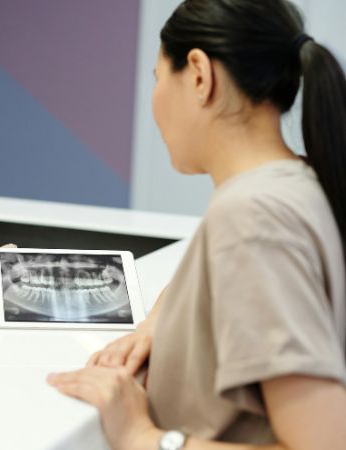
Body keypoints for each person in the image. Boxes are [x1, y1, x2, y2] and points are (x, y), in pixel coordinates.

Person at [47, 0, 346, 448]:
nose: (155, 102)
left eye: (157, 79)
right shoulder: (296, 183)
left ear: (199, 75)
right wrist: (156, 327)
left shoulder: (252, 216)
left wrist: (146, 437)